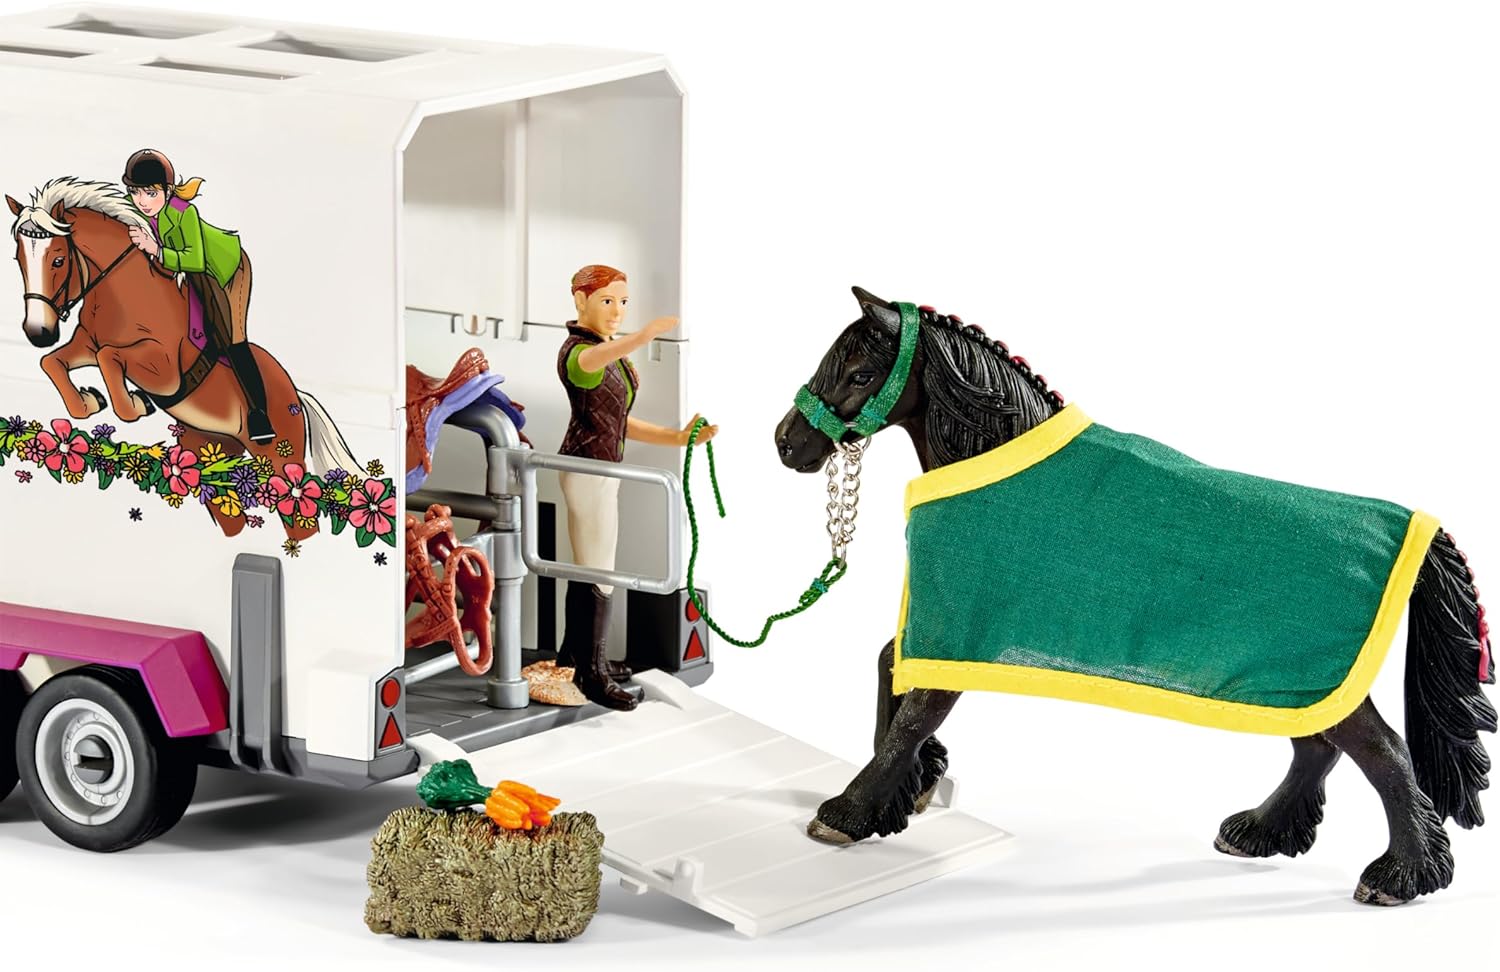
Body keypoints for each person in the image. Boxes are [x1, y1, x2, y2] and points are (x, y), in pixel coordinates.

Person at [556, 264, 718, 710]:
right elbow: (596, 361)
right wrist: (644, 336)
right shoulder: (579, 355)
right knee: (599, 569)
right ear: (580, 300)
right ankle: (591, 673)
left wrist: (678, 438)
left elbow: (619, 421)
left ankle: (576, 654)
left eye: (623, 302)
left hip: (603, 468)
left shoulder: (609, 353)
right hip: (587, 469)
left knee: (590, 564)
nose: (617, 311)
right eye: (607, 300)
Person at [121, 149, 274, 445]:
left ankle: (259, 413)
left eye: (150, 193)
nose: (142, 201)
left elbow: (194, 259)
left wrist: (155, 249)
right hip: (177, 266)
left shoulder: (184, 213)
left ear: (167, 191)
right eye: (135, 192)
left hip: (223, 268)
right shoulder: (132, 208)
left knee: (231, 335)